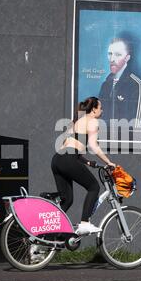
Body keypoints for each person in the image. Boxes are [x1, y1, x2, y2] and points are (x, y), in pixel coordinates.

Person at [51, 97, 117, 235]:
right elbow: (93, 146)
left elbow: (71, 149)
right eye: (100, 107)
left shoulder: (77, 120)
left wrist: (88, 162)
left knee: (67, 200)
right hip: (68, 159)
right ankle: (85, 223)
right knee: (94, 187)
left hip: (57, 160)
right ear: (93, 109)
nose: (102, 110)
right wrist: (109, 162)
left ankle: (46, 234)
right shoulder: (92, 121)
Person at [98, 38, 141, 131]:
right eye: (110, 54)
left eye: (118, 54)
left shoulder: (136, 85)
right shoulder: (105, 85)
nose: (112, 59)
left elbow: (135, 127)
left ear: (127, 58)